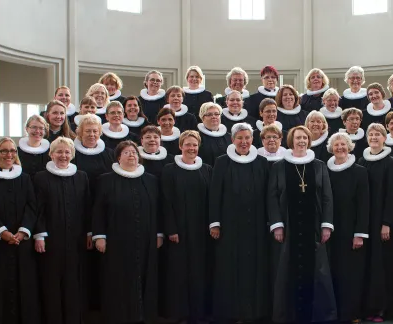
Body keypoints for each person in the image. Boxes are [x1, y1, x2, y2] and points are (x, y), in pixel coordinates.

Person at [269, 126, 337, 324]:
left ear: (309, 140)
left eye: (304, 138)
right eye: (298, 138)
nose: (301, 141)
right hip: (288, 228)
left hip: (314, 227)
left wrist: (326, 225)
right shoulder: (279, 166)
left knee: (318, 272)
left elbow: (327, 197)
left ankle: (319, 315)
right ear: (291, 140)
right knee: (286, 270)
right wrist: (277, 225)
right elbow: (272, 197)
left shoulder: (319, 166)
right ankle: (287, 315)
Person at [92, 141, 163, 324]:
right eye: (126, 153)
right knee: (118, 277)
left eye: (134, 152)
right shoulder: (105, 180)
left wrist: (159, 234)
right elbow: (98, 209)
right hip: (117, 239)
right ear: (118, 157)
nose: (131, 155)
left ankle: (142, 316)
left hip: (146, 238)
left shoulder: (151, 180)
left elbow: (158, 209)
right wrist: (99, 236)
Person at [209, 123, 270, 323]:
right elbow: (215, 194)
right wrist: (215, 223)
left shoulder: (262, 162)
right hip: (230, 226)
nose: (244, 142)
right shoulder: (222, 162)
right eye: (240, 138)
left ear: (253, 140)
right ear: (232, 140)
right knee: (230, 268)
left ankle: (255, 311)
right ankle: (233, 312)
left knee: (255, 268)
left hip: (257, 226)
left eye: (247, 138)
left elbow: (269, 195)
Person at [33, 136, 91, 324]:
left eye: (67, 152)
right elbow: (38, 209)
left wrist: (90, 232)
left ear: (72, 155)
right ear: (51, 154)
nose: (63, 155)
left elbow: (87, 207)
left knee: (74, 282)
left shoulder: (81, 177)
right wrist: (39, 235)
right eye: (59, 151)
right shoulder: (41, 178)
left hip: (76, 240)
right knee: (52, 283)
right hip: (51, 240)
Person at [160, 130, 213, 323]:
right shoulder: (169, 170)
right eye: (188, 144)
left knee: (199, 271)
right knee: (178, 272)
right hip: (178, 231)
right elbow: (166, 202)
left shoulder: (206, 169)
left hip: (201, 230)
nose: (191, 148)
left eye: (195, 145)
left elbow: (211, 201)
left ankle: (198, 313)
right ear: (180, 146)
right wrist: (171, 229)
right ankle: (179, 313)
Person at [71, 115, 115, 313]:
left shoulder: (109, 154)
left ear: (100, 133)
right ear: (79, 132)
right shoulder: (71, 154)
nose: (91, 134)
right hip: (75, 213)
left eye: (95, 131)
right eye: (87, 131)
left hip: (102, 214)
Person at [0, 137, 41, 323]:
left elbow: (32, 206)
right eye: (4, 151)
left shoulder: (24, 178)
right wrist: (2, 232)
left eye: (12, 151)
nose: (9, 154)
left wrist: (23, 231)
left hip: (22, 243)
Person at [357, 123, 393, 323]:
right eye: (371, 134)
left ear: (385, 138)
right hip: (364, 221)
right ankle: (366, 305)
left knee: (380, 265)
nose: (374, 137)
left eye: (378, 134)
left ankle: (381, 307)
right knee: (365, 264)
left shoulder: (391, 163)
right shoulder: (361, 161)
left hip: (381, 222)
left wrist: (386, 222)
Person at [326, 132, 369, 323]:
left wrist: (359, 233)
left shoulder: (359, 171)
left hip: (351, 230)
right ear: (331, 148)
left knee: (350, 274)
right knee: (331, 271)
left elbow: (364, 204)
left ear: (350, 147)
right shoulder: (324, 170)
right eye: (336, 145)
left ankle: (351, 313)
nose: (340, 148)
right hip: (331, 230)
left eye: (343, 144)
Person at [18, 114, 50, 178]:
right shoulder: (17, 152)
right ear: (27, 129)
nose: (37, 131)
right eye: (34, 127)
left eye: (41, 128)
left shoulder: (50, 153)